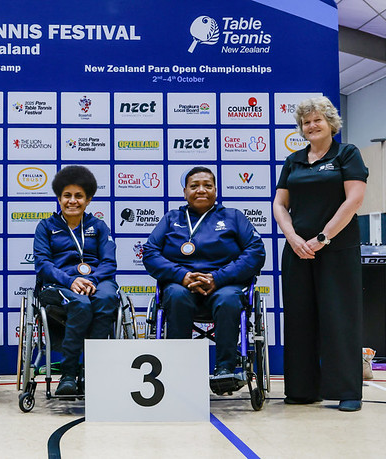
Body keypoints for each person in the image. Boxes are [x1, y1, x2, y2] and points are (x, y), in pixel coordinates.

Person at [273, 96, 368, 412]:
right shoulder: (294, 160)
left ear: (331, 124)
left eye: (317, 120)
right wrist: (293, 237)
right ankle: (302, 389)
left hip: (337, 249)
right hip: (298, 251)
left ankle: (347, 391)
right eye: (305, 122)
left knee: (339, 318)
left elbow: (354, 199)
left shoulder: (347, 154)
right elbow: (279, 204)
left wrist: (323, 237)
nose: (311, 126)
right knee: (299, 318)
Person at [143, 167, 265, 386]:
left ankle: (225, 369)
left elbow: (255, 252)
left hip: (223, 284)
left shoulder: (233, 217)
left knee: (228, 299)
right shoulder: (171, 218)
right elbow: (150, 253)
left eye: (207, 185)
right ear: (184, 192)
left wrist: (217, 278)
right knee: (176, 295)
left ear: (216, 190)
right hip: (182, 285)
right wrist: (183, 275)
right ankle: (177, 368)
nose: (201, 190)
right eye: (194, 186)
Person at [33, 165, 118, 396]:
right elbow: (42, 265)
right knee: (80, 303)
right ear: (59, 198)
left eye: (78, 196)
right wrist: (71, 281)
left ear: (88, 199)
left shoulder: (99, 226)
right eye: (67, 196)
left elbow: (109, 263)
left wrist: (90, 279)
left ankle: (94, 371)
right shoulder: (46, 227)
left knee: (108, 298)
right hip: (59, 283)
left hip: (96, 281)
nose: (72, 201)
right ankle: (69, 373)